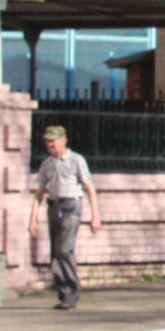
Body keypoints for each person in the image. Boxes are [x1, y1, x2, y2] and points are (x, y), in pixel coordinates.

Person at [29, 125, 100, 310]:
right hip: (53, 207)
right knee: (55, 253)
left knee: (64, 250)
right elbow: (39, 192)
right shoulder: (47, 164)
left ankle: (72, 290)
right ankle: (64, 294)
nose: (50, 144)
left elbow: (89, 187)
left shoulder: (76, 160)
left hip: (71, 207)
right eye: (47, 141)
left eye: (53, 140)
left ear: (64, 140)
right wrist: (33, 218)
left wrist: (95, 216)